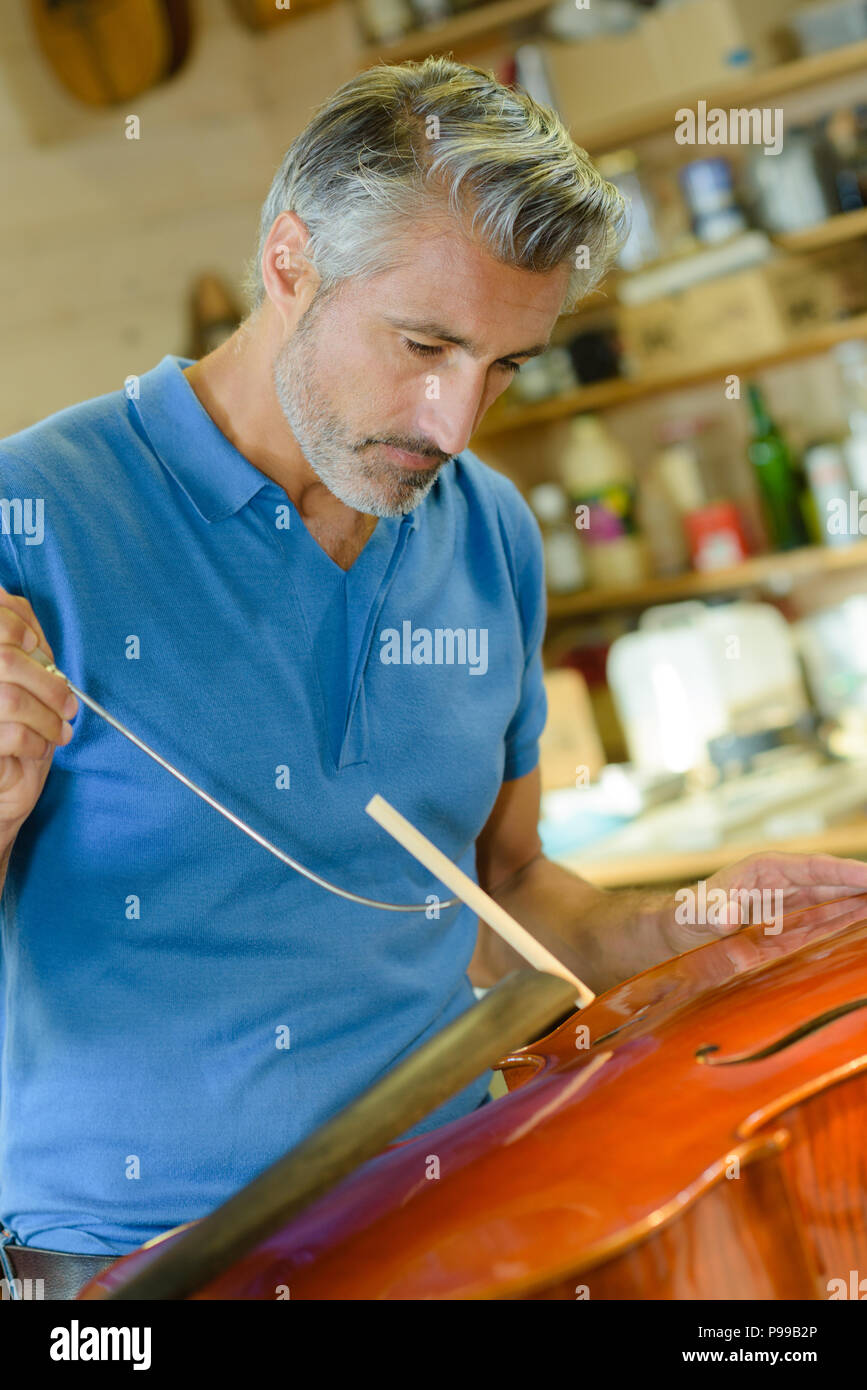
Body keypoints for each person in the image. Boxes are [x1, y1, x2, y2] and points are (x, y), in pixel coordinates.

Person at [1, 56, 866, 1296]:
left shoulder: (490, 528)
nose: (454, 423)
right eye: (424, 343)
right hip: (139, 1276)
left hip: (464, 1214)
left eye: (506, 365)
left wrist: (687, 929)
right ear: (289, 261)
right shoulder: (30, 515)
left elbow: (508, 890)